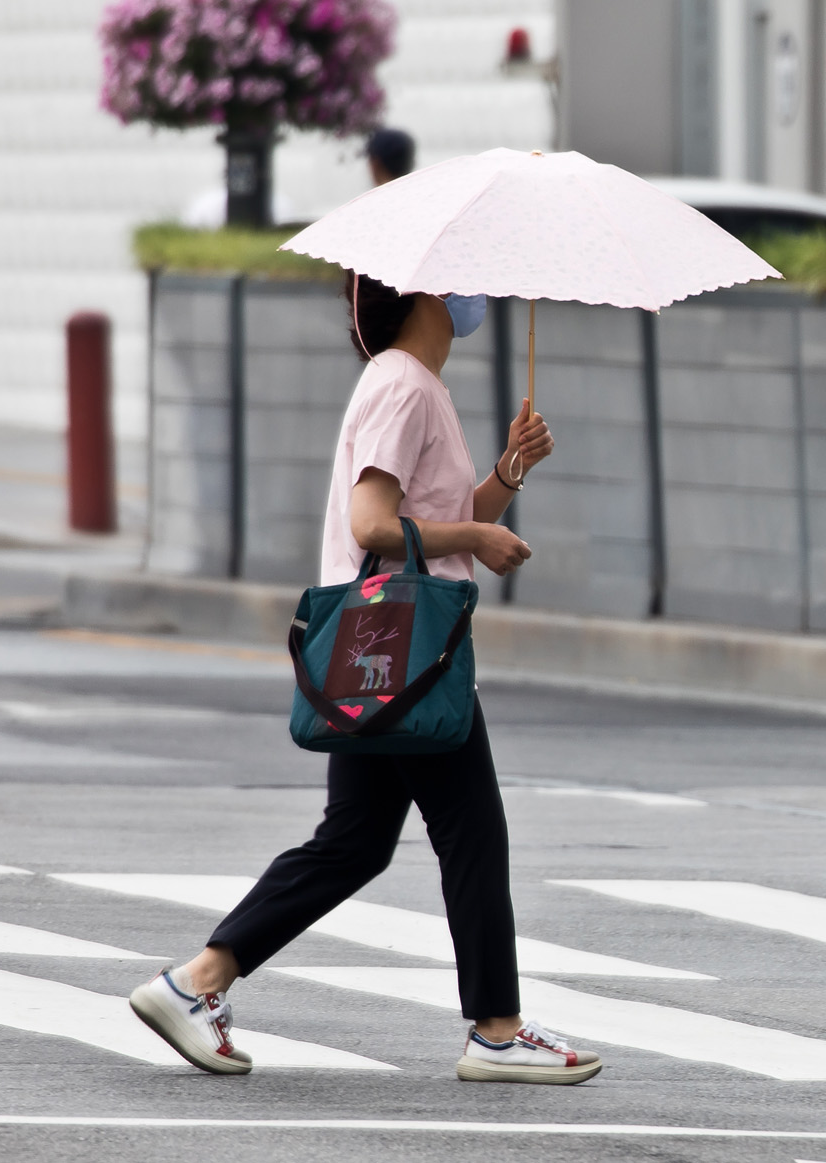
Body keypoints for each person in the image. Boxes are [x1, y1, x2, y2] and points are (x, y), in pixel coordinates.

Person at [127, 275, 603, 1085]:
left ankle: (196, 981)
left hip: (380, 654)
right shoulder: (403, 384)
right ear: (424, 296)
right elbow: (373, 524)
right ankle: (496, 1029)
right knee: (473, 831)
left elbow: (431, 522)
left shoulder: (413, 385)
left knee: (353, 842)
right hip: (407, 652)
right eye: (461, 283)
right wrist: (479, 536)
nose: (474, 296)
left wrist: (508, 473)